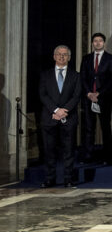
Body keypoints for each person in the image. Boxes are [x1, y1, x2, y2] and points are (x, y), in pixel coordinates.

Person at [38, 46, 81, 187]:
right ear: (54, 56)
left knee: (68, 150)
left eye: (65, 55)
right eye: (59, 54)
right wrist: (56, 110)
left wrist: (64, 110)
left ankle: (68, 179)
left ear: (69, 57)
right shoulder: (45, 75)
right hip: (49, 118)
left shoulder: (76, 76)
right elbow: (42, 95)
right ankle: (50, 178)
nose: (62, 57)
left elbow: (76, 96)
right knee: (49, 150)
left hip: (69, 118)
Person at [79, 32, 112, 162]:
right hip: (88, 97)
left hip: (104, 97)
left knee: (105, 127)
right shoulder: (86, 58)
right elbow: (82, 77)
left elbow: (111, 78)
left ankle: (108, 157)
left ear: (104, 43)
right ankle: (88, 156)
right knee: (89, 127)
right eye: (95, 41)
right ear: (92, 43)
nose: (98, 43)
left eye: (100, 40)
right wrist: (89, 93)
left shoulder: (111, 59)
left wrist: (98, 93)